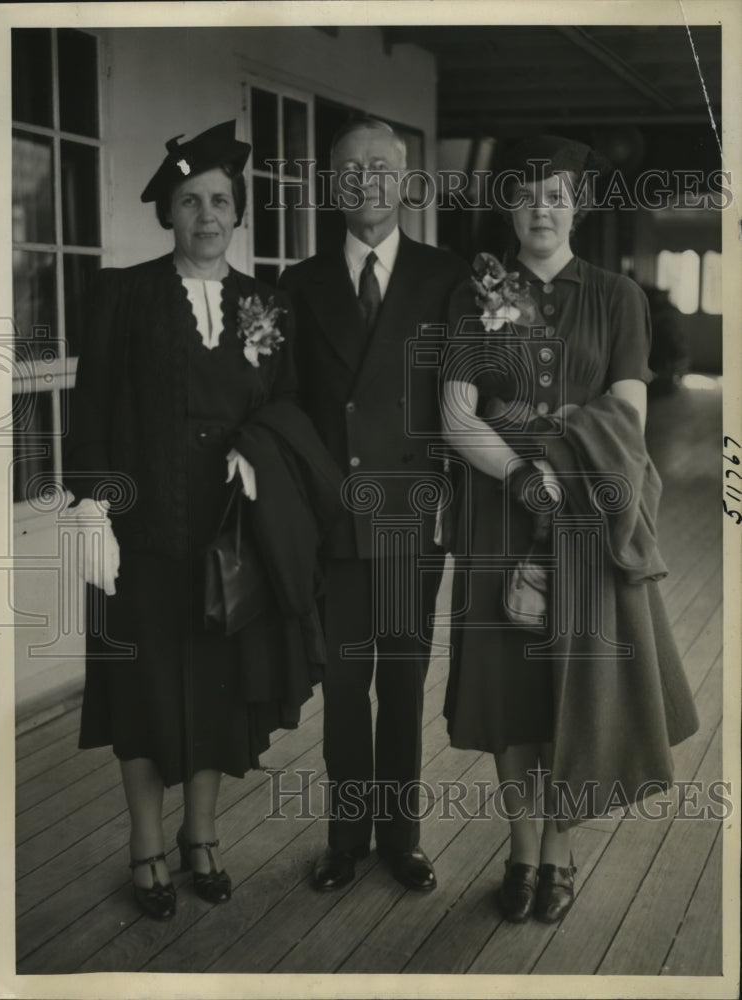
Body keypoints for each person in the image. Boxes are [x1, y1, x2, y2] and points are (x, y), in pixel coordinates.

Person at [65, 121, 341, 921]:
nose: (206, 215)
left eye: (220, 200)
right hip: (142, 537)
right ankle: (145, 846)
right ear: (169, 215)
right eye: (190, 202)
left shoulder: (268, 304)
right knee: (144, 694)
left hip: (229, 539)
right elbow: (90, 411)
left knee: (219, 693)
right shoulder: (123, 294)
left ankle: (201, 837)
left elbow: (287, 402)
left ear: (238, 213)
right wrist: (90, 504)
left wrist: (257, 448)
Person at [441, 135, 699, 924]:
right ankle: (520, 848)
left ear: (577, 205)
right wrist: (521, 472)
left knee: (571, 690)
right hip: (496, 516)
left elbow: (625, 418)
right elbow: (455, 417)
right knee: (509, 697)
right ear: (507, 207)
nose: (541, 206)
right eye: (525, 193)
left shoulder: (618, 299)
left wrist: (544, 447)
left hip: (583, 518)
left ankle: (557, 849)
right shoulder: (473, 292)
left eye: (556, 193)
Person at [280, 117, 468, 892]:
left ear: (404, 182)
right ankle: (344, 841)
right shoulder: (298, 284)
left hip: (407, 517)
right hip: (333, 522)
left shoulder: (447, 276)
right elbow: (287, 407)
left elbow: (467, 399)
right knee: (343, 687)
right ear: (332, 184)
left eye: (381, 169)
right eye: (350, 170)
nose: (365, 183)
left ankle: (403, 839)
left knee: (400, 683)